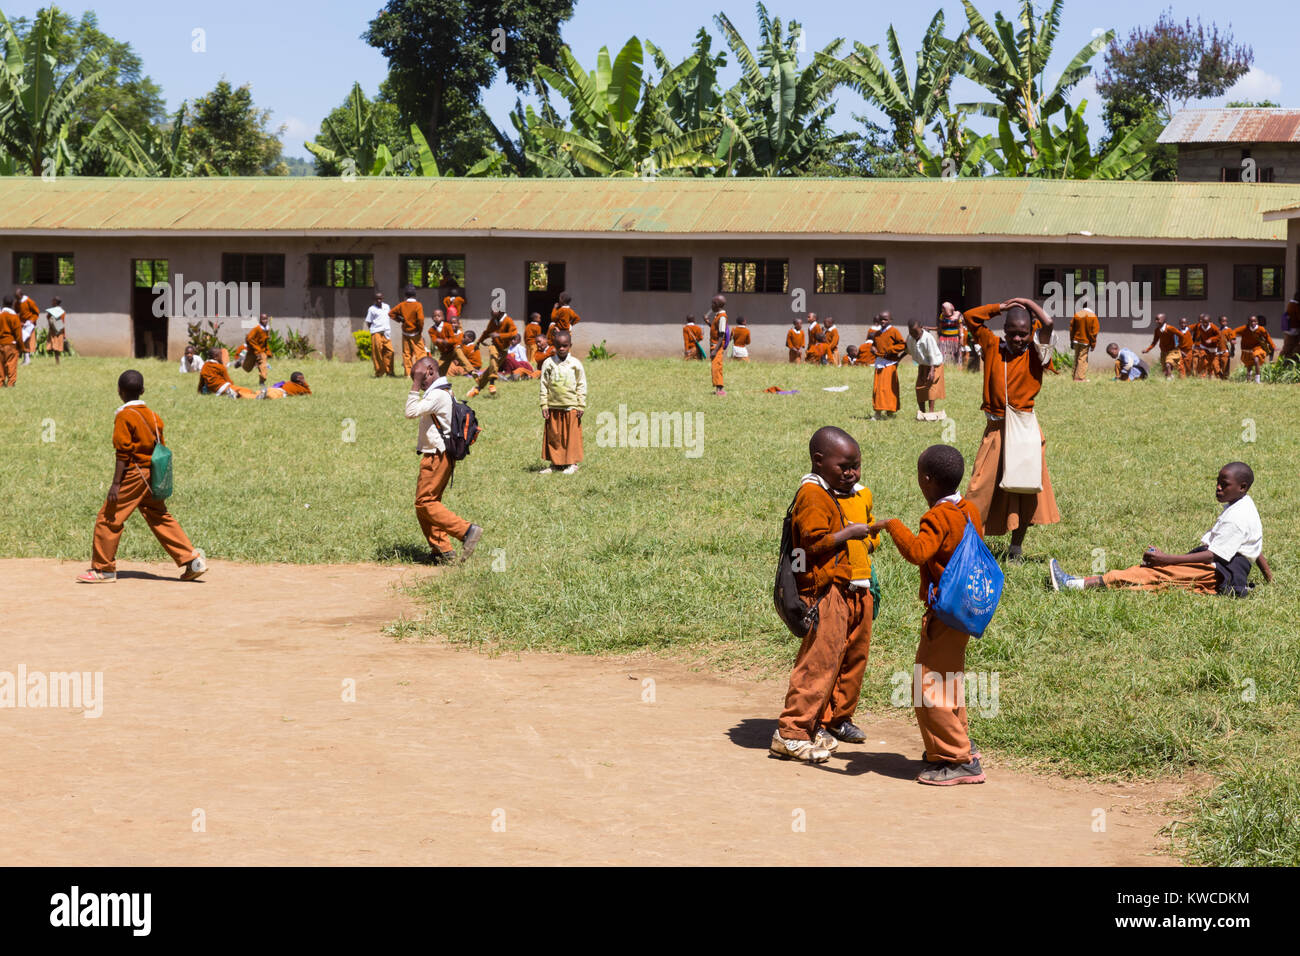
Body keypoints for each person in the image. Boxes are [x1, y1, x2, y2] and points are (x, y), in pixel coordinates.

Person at [867, 444, 987, 785]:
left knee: (927, 685)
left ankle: (956, 759)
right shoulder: (969, 509)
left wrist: (891, 525)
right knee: (949, 680)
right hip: (966, 610)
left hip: (945, 613)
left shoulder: (937, 517)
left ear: (927, 480)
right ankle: (962, 745)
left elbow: (919, 552)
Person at [770, 426, 876, 764]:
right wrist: (848, 535)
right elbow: (812, 544)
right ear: (819, 461)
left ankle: (817, 724)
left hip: (842, 587)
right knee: (817, 663)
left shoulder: (837, 491)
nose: (852, 473)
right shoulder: (813, 496)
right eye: (844, 466)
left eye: (856, 465)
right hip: (821, 592)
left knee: (835, 660)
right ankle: (790, 733)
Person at [1051, 462, 1270, 596]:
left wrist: (1167, 559)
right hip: (1221, 568)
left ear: (1242, 487)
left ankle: (1074, 584)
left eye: (1224, 484)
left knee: (1154, 575)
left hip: (1218, 572)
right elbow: (1254, 545)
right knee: (1153, 574)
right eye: (1217, 482)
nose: (1218, 487)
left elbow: (1214, 554)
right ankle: (1084, 582)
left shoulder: (1238, 517)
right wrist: (1269, 578)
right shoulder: (1244, 504)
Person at [76, 370, 207, 584]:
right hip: (153, 474)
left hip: (134, 474)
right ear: (143, 390)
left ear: (119, 391)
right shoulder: (153, 416)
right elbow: (160, 447)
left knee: (108, 518)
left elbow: (123, 453)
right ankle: (192, 561)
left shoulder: (124, 416)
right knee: (159, 516)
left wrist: (116, 484)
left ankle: (103, 569)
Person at [963, 297, 1060, 562]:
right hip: (996, 429)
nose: (1018, 339)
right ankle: (970, 546)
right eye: (1012, 333)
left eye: (1023, 333)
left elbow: (1049, 323)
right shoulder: (992, 345)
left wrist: (1027, 302)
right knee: (979, 486)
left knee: (1023, 489)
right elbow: (969, 317)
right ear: (1003, 331)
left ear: (1031, 332)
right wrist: (1000, 308)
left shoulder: (1038, 352)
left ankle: (1016, 548)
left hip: (1025, 430)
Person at [405, 356, 483, 565]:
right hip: (439, 455)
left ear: (430, 371)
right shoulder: (443, 391)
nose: (419, 383)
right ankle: (442, 551)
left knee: (425, 503)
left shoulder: (439, 395)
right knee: (425, 505)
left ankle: (467, 531)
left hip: (436, 457)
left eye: (421, 377)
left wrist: (414, 386)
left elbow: (410, 412)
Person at [538, 330, 586, 474]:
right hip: (553, 405)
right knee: (554, 436)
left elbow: (581, 384)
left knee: (571, 436)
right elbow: (544, 384)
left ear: (570, 345)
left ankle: (572, 463)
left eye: (565, 346)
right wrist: (544, 404)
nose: (562, 349)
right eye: (558, 346)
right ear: (554, 346)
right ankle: (555, 463)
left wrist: (581, 404)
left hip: (571, 405)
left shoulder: (575, 364)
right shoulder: (548, 363)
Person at [467, 308, 518, 399]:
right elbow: (487, 332)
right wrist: (478, 342)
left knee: (491, 368)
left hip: (504, 349)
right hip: (494, 345)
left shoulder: (508, 321)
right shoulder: (493, 321)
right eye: (491, 310)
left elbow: (514, 334)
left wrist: (500, 335)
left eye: (494, 310)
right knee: (494, 357)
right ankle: (492, 384)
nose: (491, 312)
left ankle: (477, 388)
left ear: (501, 311)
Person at [865, 312, 906, 420]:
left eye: (886, 319)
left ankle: (890, 411)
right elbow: (875, 345)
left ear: (891, 320)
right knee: (878, 388)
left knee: (889, 388)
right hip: (879, 363)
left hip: (889, 363)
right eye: (881, 319)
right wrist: (873, 348)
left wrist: (890, 350)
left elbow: (902, 344)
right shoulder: (877, 333)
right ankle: (878, 413)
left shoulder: (894, 331)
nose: (883, 321)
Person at [906, 319, 946, 420]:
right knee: (919, 387)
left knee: (931, 387)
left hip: (934, 365)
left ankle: (931, 412)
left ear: (921, 327)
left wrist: (932, 371)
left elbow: (932, 354)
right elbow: (908, 350)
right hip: (923, 365)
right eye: (911, 331)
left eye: (915, 331)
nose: (913, 333)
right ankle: (922, 413)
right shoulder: (910, 338)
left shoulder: (928, 338)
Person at [1228, 315, 1275, 383]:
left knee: (1256, 360)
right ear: (1248, 322)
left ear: (1257, 322)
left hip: (1257, 348)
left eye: (1255, 321)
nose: (1253, 323)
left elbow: (1268, 337)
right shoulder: (1244, 328)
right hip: (1246, 349)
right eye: (1251, 321)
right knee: (1249, 365)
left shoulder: (1261, 329)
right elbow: (1234, 331)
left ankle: (1257, 380)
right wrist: (1233, 338)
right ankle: (1248, 380)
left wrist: (1273, 346)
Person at [391, 286, 426, 376]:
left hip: (405, 333)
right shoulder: (418, 305)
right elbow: (421, 319)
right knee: (420, 352)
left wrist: (400, 320)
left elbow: (391, 313)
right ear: (415, 295)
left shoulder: (402, 305)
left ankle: (408, 373)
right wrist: (420, 330)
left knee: (406, 354)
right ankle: (422, 371)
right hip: (416, 333)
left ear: (405, 295)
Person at [364, 290, 395, 377]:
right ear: (374, 299)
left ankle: (389, 371)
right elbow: (369, 322)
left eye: (380, 299)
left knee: (390, 351)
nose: (379, 301)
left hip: (386, 332)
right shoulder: (372, 309)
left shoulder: (387, 307)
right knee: (377, 353)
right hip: (376, 332)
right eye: (377, 299)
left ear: (383, 299)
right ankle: (379, 372)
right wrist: (374, 330)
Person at [1142, 314, 1181, 379]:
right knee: (1165, 369)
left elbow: (1181, 335)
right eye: (1155, 319)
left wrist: (1180, 345)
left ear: (1163, 320)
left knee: (1168, 364)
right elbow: (1154, 342)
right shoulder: (1157, 330)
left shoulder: (1170, 328)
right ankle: (1170, 376)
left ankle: (1169, 379)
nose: (1156, 321)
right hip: (1163, 351)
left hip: (1172, 351)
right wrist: (1147, 350)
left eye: (1158, 319)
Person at [1068, 308, 1099, 382]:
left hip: (1076, 340)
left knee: (1077, 357)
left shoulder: (1077, 314)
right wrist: (1093, 344)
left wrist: (1071, 340)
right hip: (1085, 342)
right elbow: (1094, 333)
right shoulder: (1093, 316)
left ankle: (1074, 376)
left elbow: (1071, 328)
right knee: (1082, 359)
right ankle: (1079, 378)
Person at [241, 313, 272, 384]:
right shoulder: (257, 328)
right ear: (260, 320)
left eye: (266, 319)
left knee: (263, 367)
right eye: (263, 319)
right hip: (253, 352)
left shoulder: (267, 329)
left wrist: (267, 351)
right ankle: (241, 362)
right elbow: (249, 338)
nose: (265, 320)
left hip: (262, 352)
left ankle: (262, 381)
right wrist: (256, 349)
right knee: (247, 368)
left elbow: (265, 341)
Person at [707, 294, 727, 396]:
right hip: (714, 345)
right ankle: (718, 389)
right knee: (714, 367)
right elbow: (716, 329)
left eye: (713, 303)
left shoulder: (722, 317)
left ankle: (720, 389)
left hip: (717, 346)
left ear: (717, 304)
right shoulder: (717, 316)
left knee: (717, 367)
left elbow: (721, 335)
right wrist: (708, 323)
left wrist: (715, 350)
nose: (711, 305)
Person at [0, 296, 22, 387]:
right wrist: (21, 347)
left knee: (0, 364)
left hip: (0, 343)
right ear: (12, 304)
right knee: (11, 364)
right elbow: (18, 334)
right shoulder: (14, 317)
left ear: (3, 303)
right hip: (11, 343)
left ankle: (0, 382)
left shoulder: (0, 316)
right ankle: (11, 383)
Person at [1192, 314, 1222, 378]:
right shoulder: (1200, 326)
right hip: (1204, 346)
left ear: (1209, 322)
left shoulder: (1214, 327)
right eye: (1203, 322)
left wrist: (1211, 339)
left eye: (1206, 323)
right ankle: (1202, 375)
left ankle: (1215, 375)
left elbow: (1219, 336)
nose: (1205, 324)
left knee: (1213, 363)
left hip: (1212, 348)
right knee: (1203, 360)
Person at [15, 287, 38, 366]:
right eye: (16, 297)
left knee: (28, 341)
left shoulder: (29, 301)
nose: (16, 299)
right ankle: (25, 359)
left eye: (17, 297)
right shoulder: (17, 303)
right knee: (22, 341)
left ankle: (27, 359)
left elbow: (36, 312)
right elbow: (16, 312)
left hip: (29, 325)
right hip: (21, 324)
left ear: (21, 295)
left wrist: (31, 320)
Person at [44, 297, 67, 365]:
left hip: (55, 331)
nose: (51, 303)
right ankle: (57, 361)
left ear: (55, 302)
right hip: (59, 329)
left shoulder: (52, 311)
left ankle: (57, 361)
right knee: (56, 346)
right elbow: (63, 322)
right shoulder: (62, 311)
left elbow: (48, 317)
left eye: (53, 301)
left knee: (55, 346)